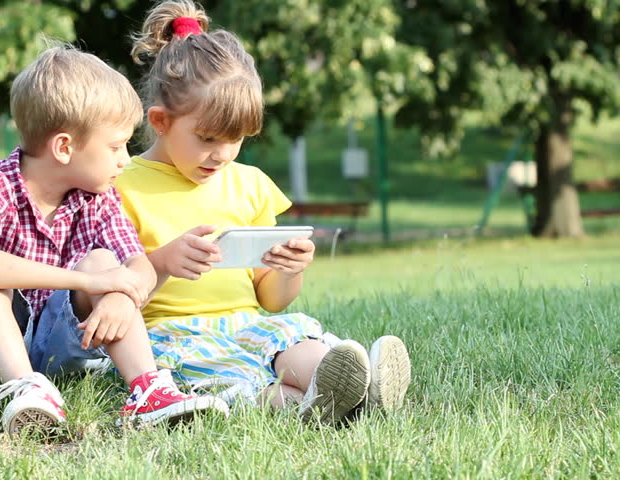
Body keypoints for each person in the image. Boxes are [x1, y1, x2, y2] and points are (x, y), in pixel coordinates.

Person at [116, 0, 411, 425]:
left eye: (236, 139)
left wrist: (288, 269)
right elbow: (107, 293)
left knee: (292, 338)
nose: (222, 154)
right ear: (160, 121)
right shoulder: (123, 185)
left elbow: (271, 300)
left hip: (247, 323)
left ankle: (349, 384)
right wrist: (162, 263)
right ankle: (329, 406)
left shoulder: (248, 184)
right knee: (242, 382)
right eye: (208, 137)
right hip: (170, 333)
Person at [0, 43, 228, 434]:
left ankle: (149, 391)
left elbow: (137, 264)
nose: (125, 159)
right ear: (64, 147)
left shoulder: (97, 196)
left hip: (53, 352)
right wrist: (89, 282)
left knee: (102, 261)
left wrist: (119, 296)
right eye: (115, 146)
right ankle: (21, 389)